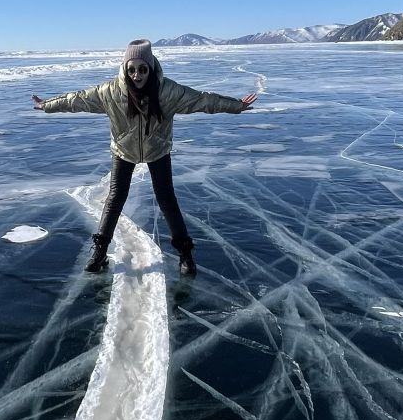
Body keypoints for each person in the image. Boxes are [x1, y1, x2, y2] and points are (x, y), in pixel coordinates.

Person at [32, 38, 257, 277]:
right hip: (124, 151)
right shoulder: (111, 92)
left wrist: (236, 106)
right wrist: (48, 105)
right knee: (115, 198)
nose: (137, 75)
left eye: (142, 69)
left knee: (166, 198)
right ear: (125, 69)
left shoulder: (167, 91)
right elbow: (79, 99)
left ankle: (185, 254)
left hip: (157, 150)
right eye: (132, 70)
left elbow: (201, 100)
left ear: (151, 68)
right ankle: (99, 253)